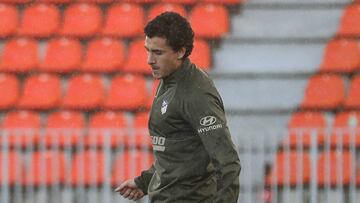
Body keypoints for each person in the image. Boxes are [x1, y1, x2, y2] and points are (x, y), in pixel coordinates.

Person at [115, 11, 241, 203]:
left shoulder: (196, 94)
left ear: (180, 52)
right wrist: (145, 181)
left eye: (158, 52)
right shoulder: (169, 80)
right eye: (147, 50)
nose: (149, 59)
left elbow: (227, 162)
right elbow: (177, 151)